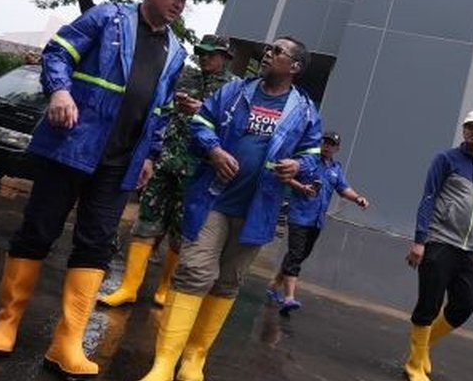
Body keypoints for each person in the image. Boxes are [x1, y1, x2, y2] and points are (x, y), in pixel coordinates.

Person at [0, 0, 206, 380]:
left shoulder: (175, 49)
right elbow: (57, 54)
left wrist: (150, 155)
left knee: (97, 244)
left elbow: (161, 108)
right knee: (38, 231)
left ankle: (67, 342)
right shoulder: (107, 17)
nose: (179, 3)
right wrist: (59, 90)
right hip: (72, 144)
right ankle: (6, 322)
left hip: (121, 161)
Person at [136, 35, 323, 381]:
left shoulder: (305, 110)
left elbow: (311, 155)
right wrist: (214, 150)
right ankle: (163, 363)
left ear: (294, 67)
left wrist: (299, 166)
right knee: (195, 271)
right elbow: (202, 123)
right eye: (268, 48)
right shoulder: (235, 92)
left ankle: (194, 359)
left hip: (257, 210)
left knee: (226, 282)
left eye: (277, 51)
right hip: (214, 199)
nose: (267, 53)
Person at [99, 34, 237, 308]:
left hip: (198, 170)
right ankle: (129, 287)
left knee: (181, 230)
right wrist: (150, 156)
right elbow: (160, 114)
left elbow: (235, 129)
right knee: (146, 221)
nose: (204, 58)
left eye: (211, 54)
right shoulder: (184, 78)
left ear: (225, 57)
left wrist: (203, 111)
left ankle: (165, 288)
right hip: (166, 161)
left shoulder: (234, 90)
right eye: (201, 52)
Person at [402, 109, 473, 381]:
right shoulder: (446, 159)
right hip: (440, 240)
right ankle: (414, 365)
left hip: (469, 249)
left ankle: (423, 346)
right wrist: (420, 240)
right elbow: (428, 197)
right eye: (470, 126)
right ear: (464, 130)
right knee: (429, 304)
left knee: (465, 304)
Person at [266, 131, 368, 314]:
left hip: (316, 220)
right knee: (295, 255)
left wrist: (358, 198)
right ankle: (289, 298)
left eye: (331, 144)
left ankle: (274, 286)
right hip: (299, 216)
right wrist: (302, 188)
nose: (327, 146)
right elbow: (286, 176)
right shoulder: (308, 161)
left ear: (337, 148)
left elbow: (343, 188)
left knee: (300, 255)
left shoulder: (335, 168)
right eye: (325, 142)